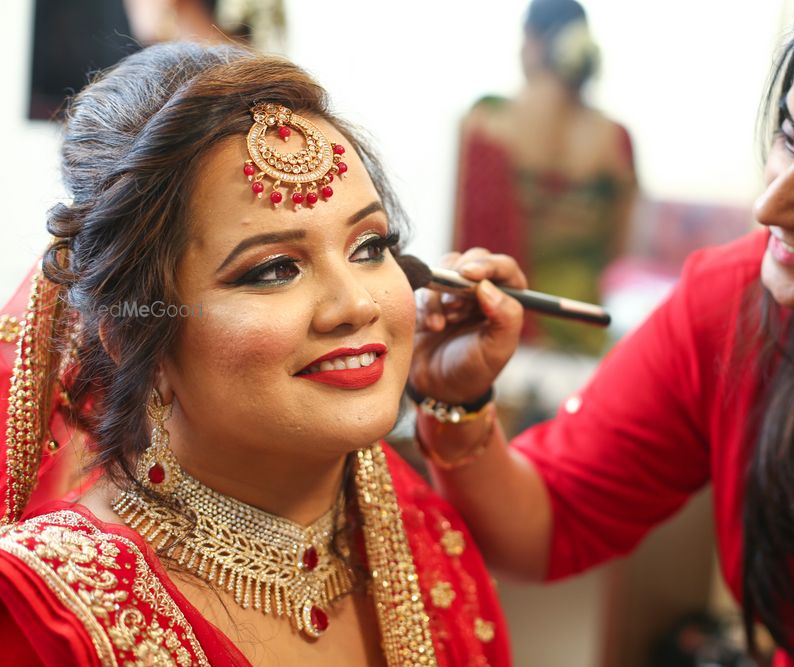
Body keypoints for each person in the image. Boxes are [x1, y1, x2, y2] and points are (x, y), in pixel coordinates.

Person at [408, 0, 794, 665]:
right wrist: (456, 399)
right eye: (786, 134)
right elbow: (546, 522)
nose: (768, 205)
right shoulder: (735, 301)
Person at [0, 42, 510, 666]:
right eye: (273, 270)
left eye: (369, 246)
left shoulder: (422, 540)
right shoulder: (45, 619)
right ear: (135, 338)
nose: (354, 305)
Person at [452, 0, 637, 356]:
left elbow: (467, 241)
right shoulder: (615, 139)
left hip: (497, 319)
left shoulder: (487, 123)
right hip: (582, 327)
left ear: (532, 43)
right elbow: (620, 250)